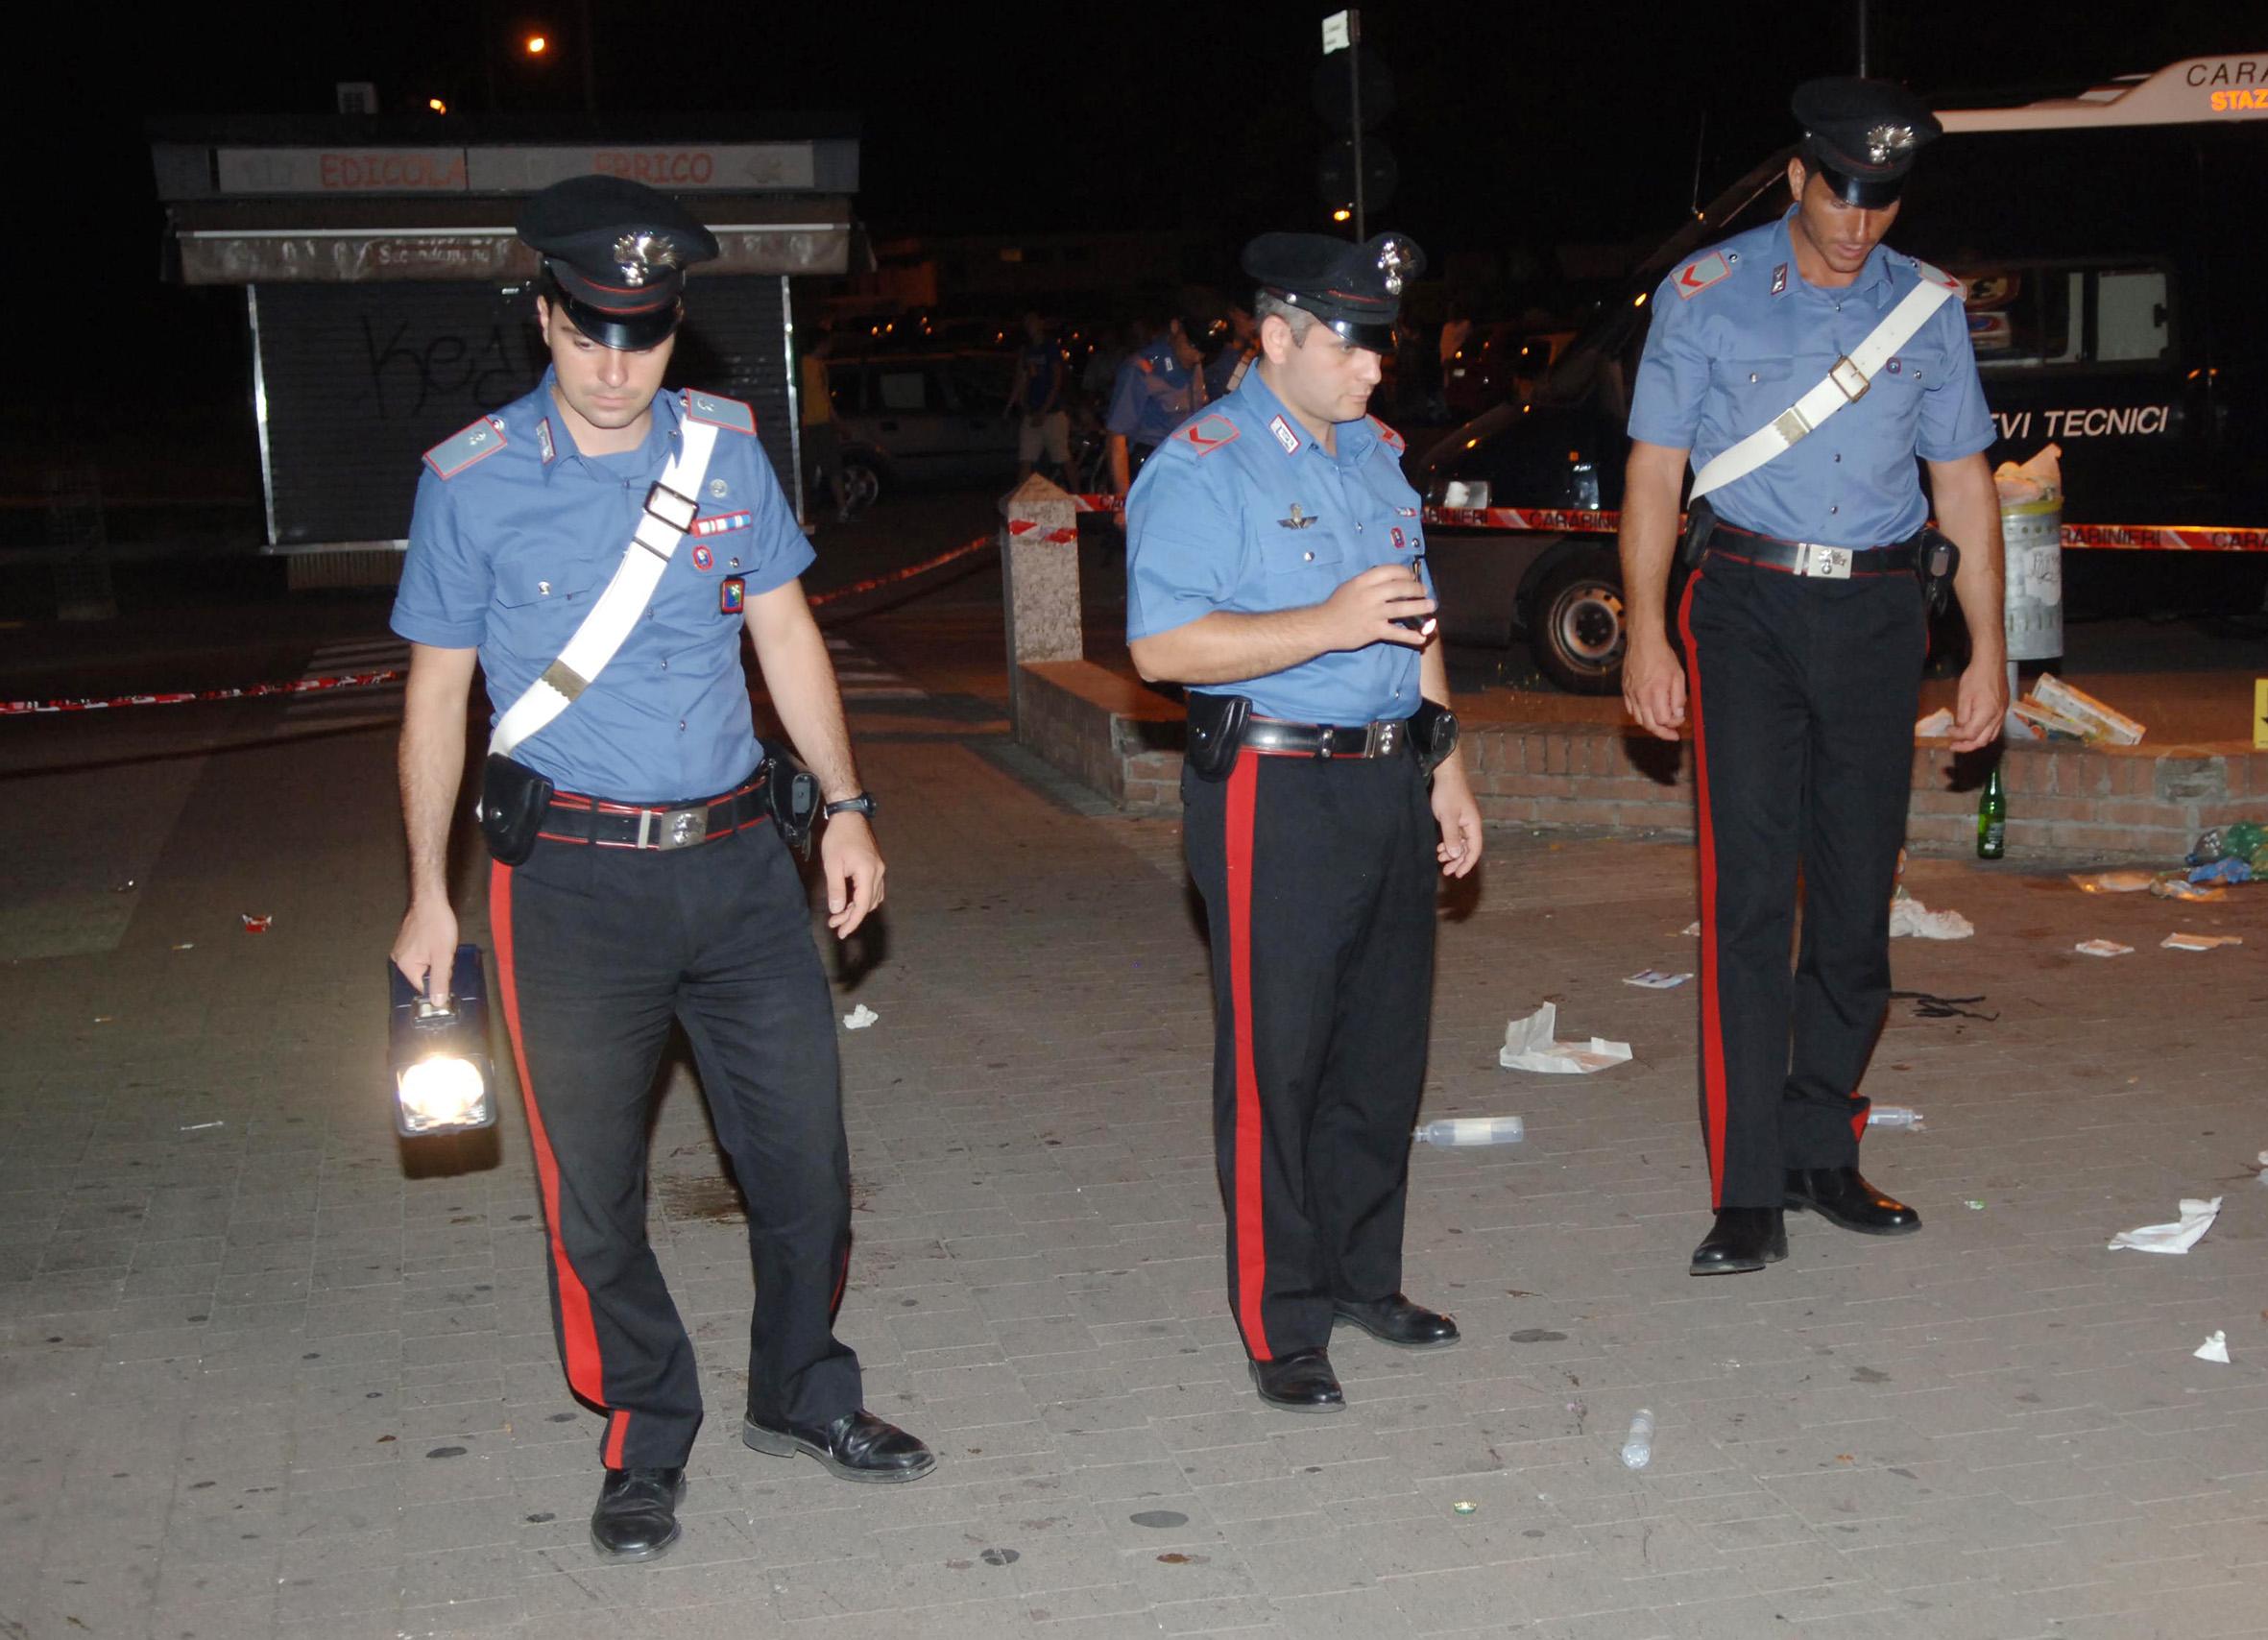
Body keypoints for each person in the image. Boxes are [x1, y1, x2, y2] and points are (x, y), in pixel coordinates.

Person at [387, 174, 934, 1562]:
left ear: (673, 325)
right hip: (565, 887)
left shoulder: (726, 453)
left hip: (741, 866)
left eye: (643, 335)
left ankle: (804, 1394)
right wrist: (426, 894)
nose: (617, 366)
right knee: (591, 1190)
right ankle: (644, 1427)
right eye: (589, 335)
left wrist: (849, 808)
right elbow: (435, 700)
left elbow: (788, 637)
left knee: (805, 1161)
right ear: (545, 317)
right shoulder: (471, 481)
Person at [1616, 79, 2006, 1277]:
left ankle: (1821, 1147)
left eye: (1880, 203)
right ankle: (1745, 1190)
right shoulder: (1705, 294)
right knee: (1747, 905)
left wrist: (1989, 648)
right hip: (1742, 602)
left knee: (1851, 899)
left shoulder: (1926, 309)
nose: (1856, 225)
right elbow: (1652, 474)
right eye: (1840, 194)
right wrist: (1642, 630)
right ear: (1798, 178)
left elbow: (1964, 487)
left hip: (1882, 611)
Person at [1125, 230, 1484, 1413]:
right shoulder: (1203, 465)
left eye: (1382, 342)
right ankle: (1281, 1321)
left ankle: (1360, 1276)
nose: (1375, 366)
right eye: (1351, 343)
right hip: (1271, 792)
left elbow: (1412, 624)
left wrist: (1446, 765)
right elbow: (1162, 647)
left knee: (1380, 1053)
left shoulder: (1376, 457)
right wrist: (1322, 624)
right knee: (1276, 1062)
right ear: (1276, 338)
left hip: (1385, 777)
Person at [1104, 307, 1206, 509]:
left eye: (1203, 349)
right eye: (1192, 345)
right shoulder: (1141, 370)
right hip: (1150, 477)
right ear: (1176, 327)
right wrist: (1125, 503)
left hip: (1189, 476)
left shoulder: (1196, 366)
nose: (1197, 356)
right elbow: (1117, 436)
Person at [1006, 311, 1070, 482]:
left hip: (1052, 412)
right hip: (1032, 411)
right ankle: (1021, 501)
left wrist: (1044, 409)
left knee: (1062, 458)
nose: (1030, 326)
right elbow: (1021, 378)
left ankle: (1079, 498)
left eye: (1033, 322)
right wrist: (1013, 404)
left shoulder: (1050, 347)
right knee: (1026, 458)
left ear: (1041, 324)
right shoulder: (1026, 350)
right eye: (1027, 323)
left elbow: (1057, 381)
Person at [800, 323, 850, 522]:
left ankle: (842, 509)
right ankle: (804, 514)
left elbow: (824, 398)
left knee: (833, 467)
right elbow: (803, 396)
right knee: (807, 470)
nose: (830, 347)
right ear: (819, 344)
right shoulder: (803, 365)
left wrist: (836, 422)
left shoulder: (820, 366)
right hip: (810, 424)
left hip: (823, 423)